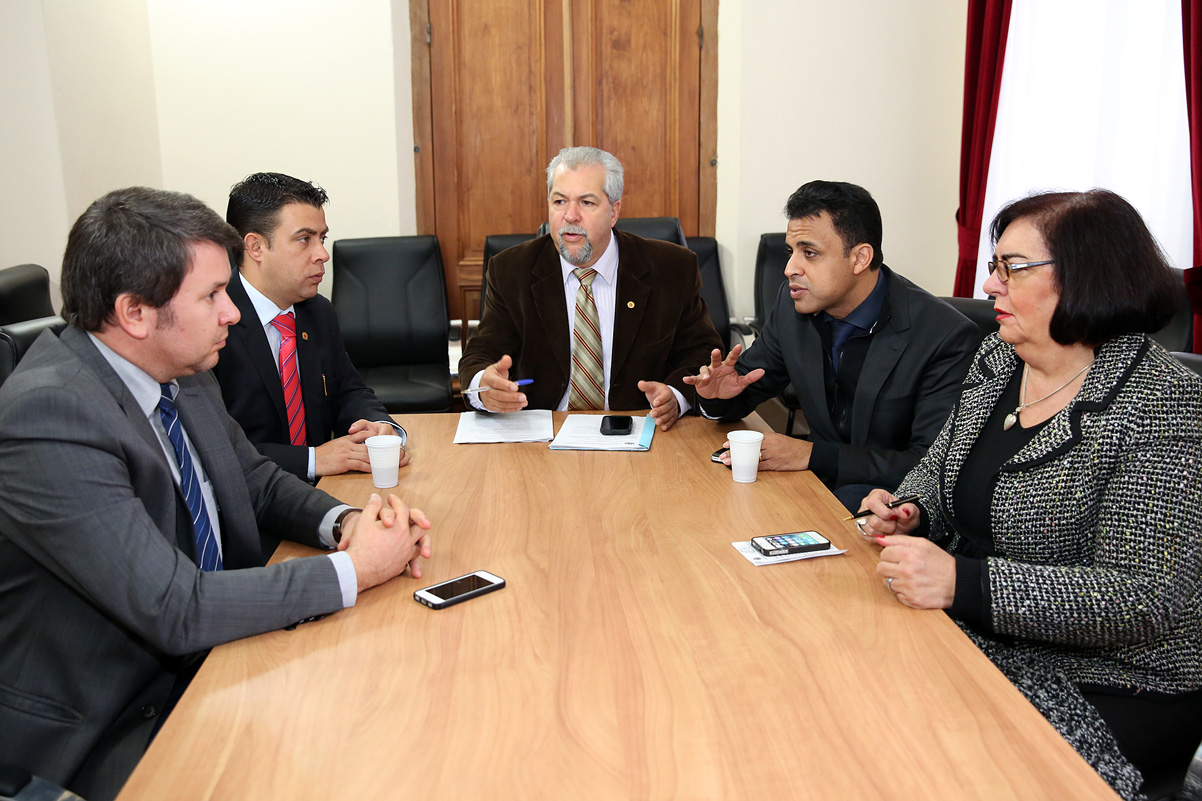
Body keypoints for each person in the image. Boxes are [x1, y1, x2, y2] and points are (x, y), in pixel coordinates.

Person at [0, 187, 433, 801]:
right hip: (110, 723)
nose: (232, 312)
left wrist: (344, 523)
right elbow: (175, 608)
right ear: (136, 314)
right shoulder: (51, 414)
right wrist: (355, 569)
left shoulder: (182, 368)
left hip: (219, 659)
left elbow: (252, 481)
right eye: (212, 296)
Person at [858, 189, 1202, 800]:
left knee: (927, 760)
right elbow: (945, 462)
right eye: (995, 266)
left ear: (1084, 278)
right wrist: (911, 507)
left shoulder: (1163, 403)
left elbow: (1145, 597)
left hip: (1122, 679)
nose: (990, 285)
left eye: (1011, 268)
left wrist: (964, 582)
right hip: (988, 634)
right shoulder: (1000, 354)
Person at [685, 180, 976, 509]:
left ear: (859, 258)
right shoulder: (791, 305)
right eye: (791, 252)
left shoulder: (944, 336)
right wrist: (718, 398)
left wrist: (812, 454)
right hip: (813, 490)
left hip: (891, 508)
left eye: (809, 253)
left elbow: (930, 466)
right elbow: (749, 385)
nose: (789, 269)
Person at [457, 146, 722, 430]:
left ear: (614, 211)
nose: (570, 216)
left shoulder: (671, 269)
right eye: (559, 201)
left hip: (639, 431)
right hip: (543, 436)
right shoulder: (511, 270)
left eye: (586, 203)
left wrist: (676, 396)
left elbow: (702, 352)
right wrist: (484, 385)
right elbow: (480, 353)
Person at [215, 172, 407, 483]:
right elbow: (216, 448)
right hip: (251, 506)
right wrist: (312, 459)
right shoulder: (214, 323)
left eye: (322, 238)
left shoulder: (318, 312)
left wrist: (376, 426)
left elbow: (349, 390)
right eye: (305, 239)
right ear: (255, 247)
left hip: (328, 488)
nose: (323, 254)